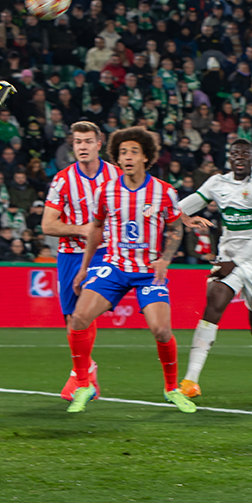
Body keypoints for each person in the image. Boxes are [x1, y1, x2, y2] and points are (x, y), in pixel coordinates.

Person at [64, 127, 211, 413]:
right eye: (122, 152)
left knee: (161, 329)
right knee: (79, 318)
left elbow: (176, 227)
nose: (127, 157)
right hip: (114, 267)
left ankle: (171, 389)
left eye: (133, 151)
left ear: (146, 157)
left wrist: (166, 259)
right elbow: (95, 229)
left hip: (147, 271)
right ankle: (84, 385)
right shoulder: (106, 191)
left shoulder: (164, 192)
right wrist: (84, 269)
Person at [175, 137, 252, 397]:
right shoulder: (217, 183)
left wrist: (234, 263)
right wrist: (177, 215)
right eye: (235, 153)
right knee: (214, 301)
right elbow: (182, 206)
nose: (239, 157)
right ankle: (190, 381)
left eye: (244, 154)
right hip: (228, 256)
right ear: (229, 157)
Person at [42, 120, 121, 402]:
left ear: (99, 144)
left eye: (88, 141)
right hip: (69, 254)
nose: (83, 147)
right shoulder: (63, 179)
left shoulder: (116, 176)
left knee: (83, 311)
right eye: (78, 142)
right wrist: (82, 229)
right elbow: (48, 226)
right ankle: (87, 370)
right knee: (71, 319)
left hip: (104, 253)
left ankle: (82, 377)